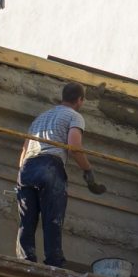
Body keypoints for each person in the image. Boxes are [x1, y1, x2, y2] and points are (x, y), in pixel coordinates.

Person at [17, 82, 106, 267]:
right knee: (53, 218)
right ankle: (53, 262)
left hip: (27, 169)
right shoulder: (74, 116)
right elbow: (74, 147)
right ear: (80, 100)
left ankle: (25, 260)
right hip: (50, 165)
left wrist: (21, 178)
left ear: (63, 97)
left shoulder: (39, 119)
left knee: (27, 220)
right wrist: (88, 171)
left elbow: (23, 153)